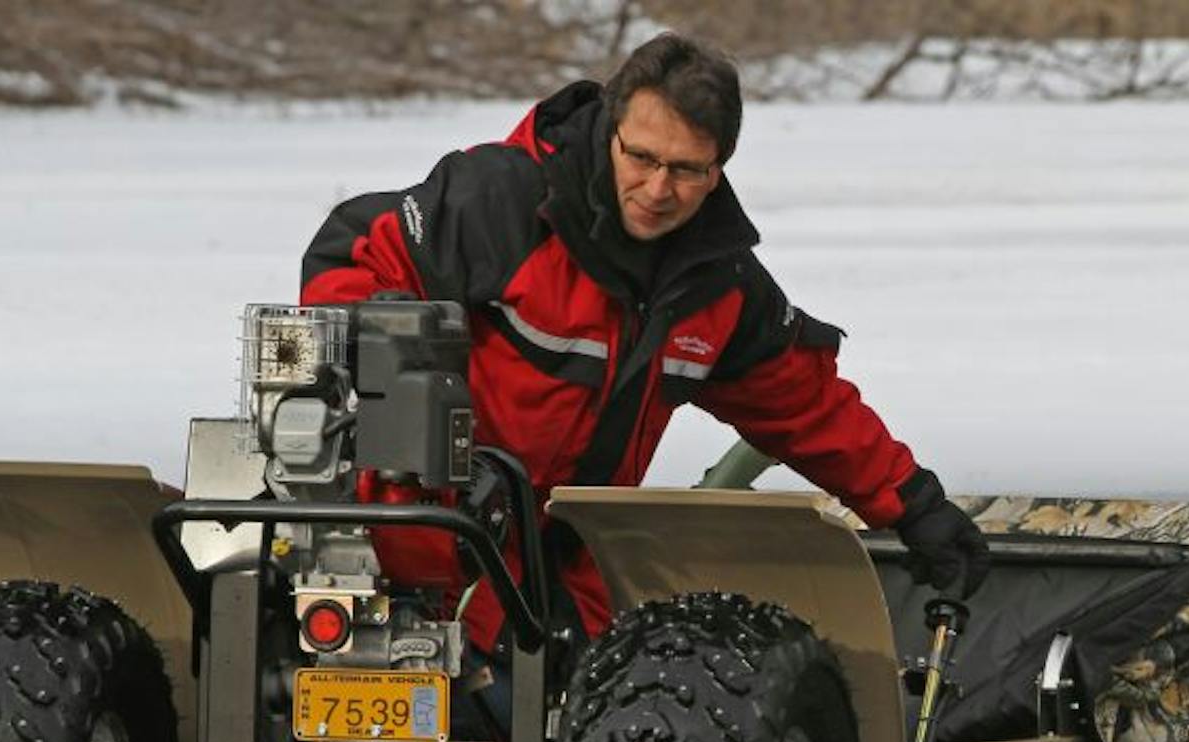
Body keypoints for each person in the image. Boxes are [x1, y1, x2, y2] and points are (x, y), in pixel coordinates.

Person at [300, 31, 989, 660]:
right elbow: (353, 253)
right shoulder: (500, 205)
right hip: (420, 547)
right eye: (642, 158)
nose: (658, 190)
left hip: (566, 574)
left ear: (720, 167)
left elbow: (805, 405)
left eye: (687, 170)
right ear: (611, 130)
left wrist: (915, 506)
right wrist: (393, 347)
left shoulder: (718, 286)